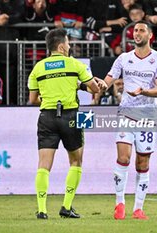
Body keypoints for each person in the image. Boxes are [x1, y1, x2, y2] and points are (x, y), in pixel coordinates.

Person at [28, 28, 101, 220]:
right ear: (61, 46)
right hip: (71, 115)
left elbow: (33, 99)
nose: (69, 46)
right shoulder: (74, 64)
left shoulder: (38, 68)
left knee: (43, 165)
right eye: (68, 43)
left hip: (46, 116)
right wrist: (89, 84)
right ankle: (66, 206)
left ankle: (42, 210)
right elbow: (94, 88)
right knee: (76, 161)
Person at [100, 20, 157, 220]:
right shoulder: (123, 58)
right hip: (126, 114)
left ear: (150, 35)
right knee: (123, 158)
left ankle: (138, 208)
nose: (136, 34)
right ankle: (119, 203)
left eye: (141, 30)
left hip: (147, 116)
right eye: (134, 30)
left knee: (142, 162)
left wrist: (144, 91)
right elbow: (107, 80)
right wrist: (98, 85)